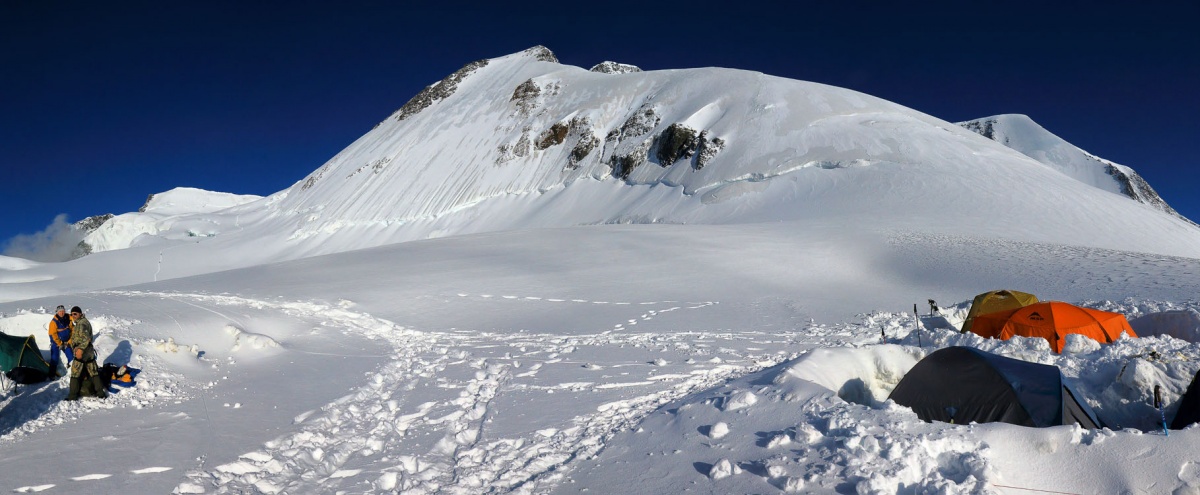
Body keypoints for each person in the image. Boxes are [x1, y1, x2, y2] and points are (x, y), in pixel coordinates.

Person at [65, 306, 106, 400]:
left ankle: (72, 396)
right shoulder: (80, 322)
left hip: (82, 352)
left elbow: (86, 338)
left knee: (75, 372)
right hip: (88, 352)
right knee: (93, 372)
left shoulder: (82, 324)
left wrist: (80, 349)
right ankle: (100, 393)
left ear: (80, 313)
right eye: (72, 314)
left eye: (75, 314)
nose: (73, 316)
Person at [47, 305, 73, 378]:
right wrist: (60, 343)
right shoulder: (54, 322)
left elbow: (72, 330)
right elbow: (52, 334)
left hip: (66, 341)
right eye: (60, 311)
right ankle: (51, 374)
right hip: (56, 342)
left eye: (63, 311)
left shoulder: (68, 318)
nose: (62, 313)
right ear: (57, 312)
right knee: (54, 357)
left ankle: (71, 371)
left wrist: (69, 341)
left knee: (70, 355)